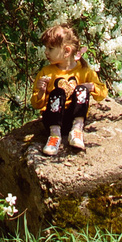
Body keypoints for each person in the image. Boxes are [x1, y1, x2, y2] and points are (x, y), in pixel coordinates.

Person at [30, 23, 109, 156]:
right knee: (58, 93)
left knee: (82, 90)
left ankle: (77, 130)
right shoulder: (46, 72)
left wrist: (92, 87)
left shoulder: (84, 71)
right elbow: (36, 104)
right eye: (46, 48)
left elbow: (102, 93)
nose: (46, 52)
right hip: (53, 120)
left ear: (67, 51)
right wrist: (41, 92)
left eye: (50, 48)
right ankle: (54, 136)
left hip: (73, 117)